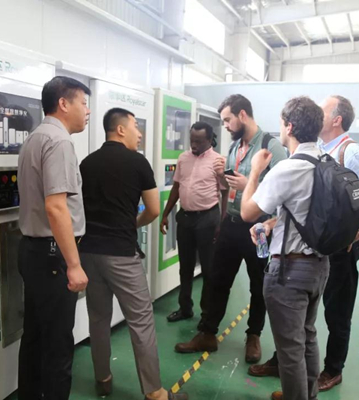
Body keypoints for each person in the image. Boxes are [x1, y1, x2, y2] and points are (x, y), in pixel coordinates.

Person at [248, 96, 359, 393]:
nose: (318, 115)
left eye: (323, 110)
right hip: (317, 245)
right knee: (303, 326)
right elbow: (305, 207)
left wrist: (357, 233)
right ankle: (290, 371)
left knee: (336, 314)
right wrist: (273, 223)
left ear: (336, 119)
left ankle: (332, 369)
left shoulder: (350, 151)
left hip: (337, 246)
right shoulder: (321, 152)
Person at [78, 108, 188, 400]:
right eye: (136, 126)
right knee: (141, 321)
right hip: (121, 255)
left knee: (98, 318)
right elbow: (153, 209)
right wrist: (132, 223)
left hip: (88, 252)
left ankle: (103, 379)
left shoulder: (87, 163)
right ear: (120, 129)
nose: (140, 134)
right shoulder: (137, 162)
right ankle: (155, 393)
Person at [175, 94, 288, 364]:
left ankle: (253, 336)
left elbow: (283, 192)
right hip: (232, 223)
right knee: (217, 279)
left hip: (260, 229)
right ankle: (207, 333)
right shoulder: (235, 146)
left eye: (227, 119)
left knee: (259, 283)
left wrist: (249, 184)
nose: (224, 125)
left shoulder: (271, 148)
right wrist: (220, 177)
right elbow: (228, 187)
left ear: (242, 115)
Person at [241, 96, 328, 400]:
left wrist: (255, 171)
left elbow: (247, 211)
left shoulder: (288, 168)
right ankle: (309, 394)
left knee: (290, 349)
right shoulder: (326, 162)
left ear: (289, 127)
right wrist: (272, 224)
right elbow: (305, 210)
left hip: (290, 270)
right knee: (307, 336)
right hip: (319, 266)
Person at [17, 76, 90, 400]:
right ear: (63, 103)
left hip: (33, 252)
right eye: (83, 103)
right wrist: (73, 264)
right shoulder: (59, 142)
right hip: (53, 257)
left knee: (34, 337)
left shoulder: (35, 137)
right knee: (58, 344)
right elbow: (56, 207)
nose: (87, 111)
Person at [161, 122, 228, 323]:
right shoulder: (183, 158)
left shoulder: (218, 161)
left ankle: (206, 314)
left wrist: (222, 222)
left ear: (209, 140)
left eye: (199, 141)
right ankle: (185, 309)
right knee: (186, 267)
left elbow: (225, 191)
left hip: (208, 218)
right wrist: (165, 213)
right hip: (186, 218)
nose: (194, 144)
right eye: (192, 140)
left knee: (208, 269)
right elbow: (176, 187)